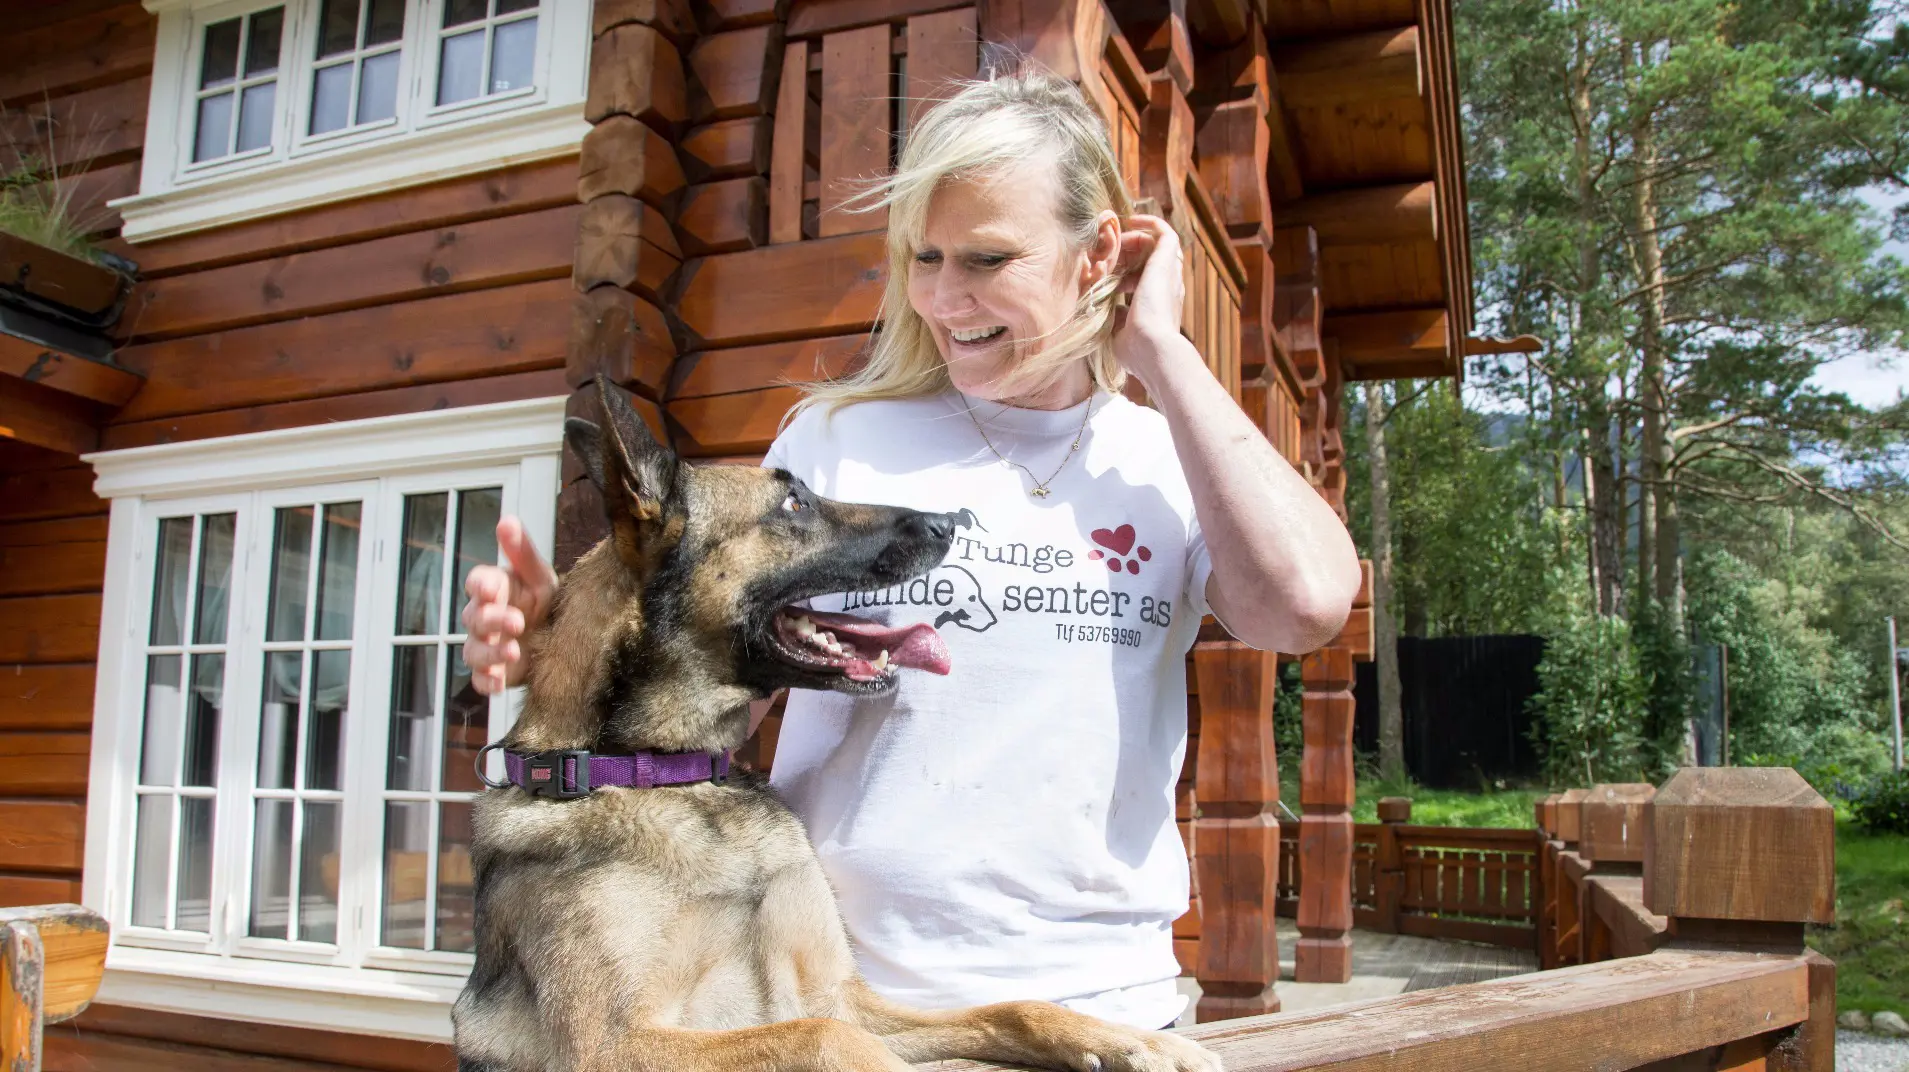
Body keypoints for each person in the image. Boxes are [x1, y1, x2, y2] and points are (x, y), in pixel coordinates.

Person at [462, 71, 1361, 1031]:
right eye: (923, 255)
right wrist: (571, 647)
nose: (941, 295)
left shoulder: (1164, 455)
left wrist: (1166, 354)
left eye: (986, 258)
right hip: (837, 1004)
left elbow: (1302, 606)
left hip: (1104, 1009)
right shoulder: (835, 443)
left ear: (1098, 251)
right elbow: (718, 673)